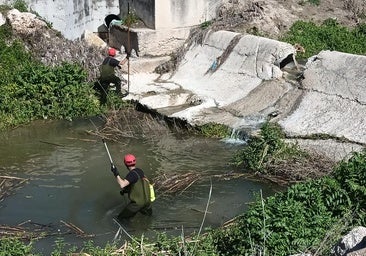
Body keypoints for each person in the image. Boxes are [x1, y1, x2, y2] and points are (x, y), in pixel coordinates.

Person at [110, 154, 153, 220]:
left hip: (137, 204)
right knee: (149, 218)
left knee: (120, 219)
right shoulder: (140, 171)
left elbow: (122, 184)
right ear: (135, 162)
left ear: (125, 164)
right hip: (147, 202)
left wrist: (116, 174)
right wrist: (126, 190)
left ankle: (128, 229)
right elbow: (138, 184)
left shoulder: (132, 174)